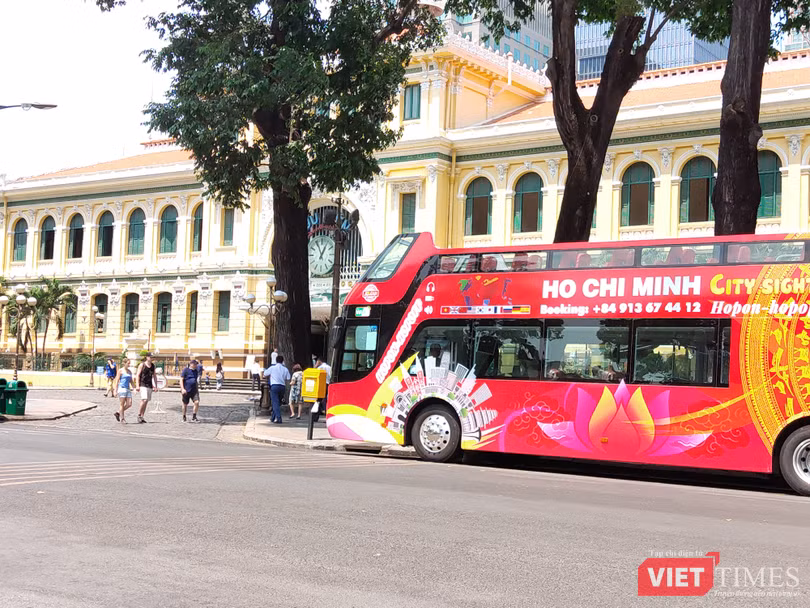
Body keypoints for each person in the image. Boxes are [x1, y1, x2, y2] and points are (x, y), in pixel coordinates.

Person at [264, 355, 290, 424]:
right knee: (278, 403)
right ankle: (272, 417)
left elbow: (265, 373)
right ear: (282, 361)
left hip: (274, 386)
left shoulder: (272, 368)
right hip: (282, 386)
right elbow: (288, 378)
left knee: (275, 402)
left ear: (276, 360)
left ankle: (279, 418)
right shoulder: (285, 369)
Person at [134, 353, 157, 424]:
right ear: (147, 357)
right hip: (142, 384)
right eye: (150, 357)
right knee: (144, 399)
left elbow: (154, 376)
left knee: (146, 401)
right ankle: (139, 414)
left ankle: (142, 416)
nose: (151, 358)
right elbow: (137, 375)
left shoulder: (153, 366)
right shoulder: (142, 365)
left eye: (152, 357)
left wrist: (155, 385)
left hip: (149, 384)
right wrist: (137, 385)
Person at [113, 358, 135, 423]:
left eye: (129, 363)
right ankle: (122, 418)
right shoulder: (120, 371)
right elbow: (116, 381)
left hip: (128, 389)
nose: (129, 364)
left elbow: (131, 381)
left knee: (129, 404)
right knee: (122, 404)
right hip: (122, 388)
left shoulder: (129, 371)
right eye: (128, 363)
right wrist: (115, 390)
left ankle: (118, 412)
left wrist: (134, 388)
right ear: (124, 363)